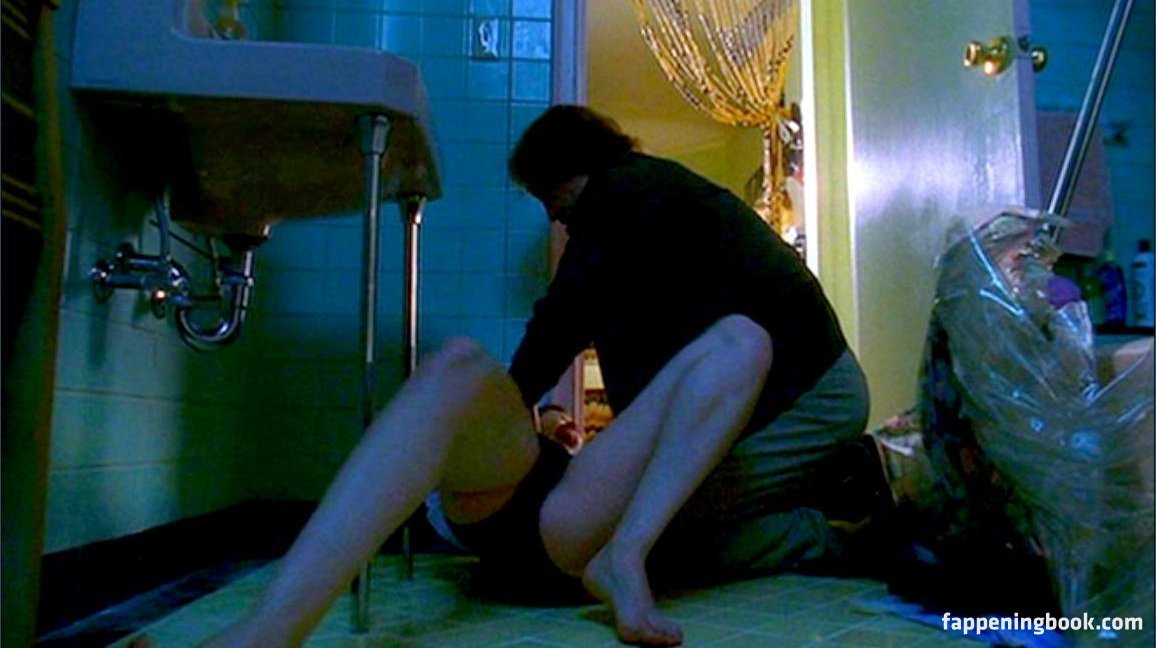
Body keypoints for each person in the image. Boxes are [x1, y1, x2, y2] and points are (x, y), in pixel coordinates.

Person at [201, 105, 882, 647]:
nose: (553, 218)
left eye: (551, 198)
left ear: (573, 169)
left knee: (739, 346)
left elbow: (563, 320)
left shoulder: (623, 193)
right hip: (546, 508)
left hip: (767, 412)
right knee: (459, 361)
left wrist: (531, 412)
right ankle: (265, 630)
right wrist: (533, 421)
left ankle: (678, 548)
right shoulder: (652, 206)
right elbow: (588, 336)